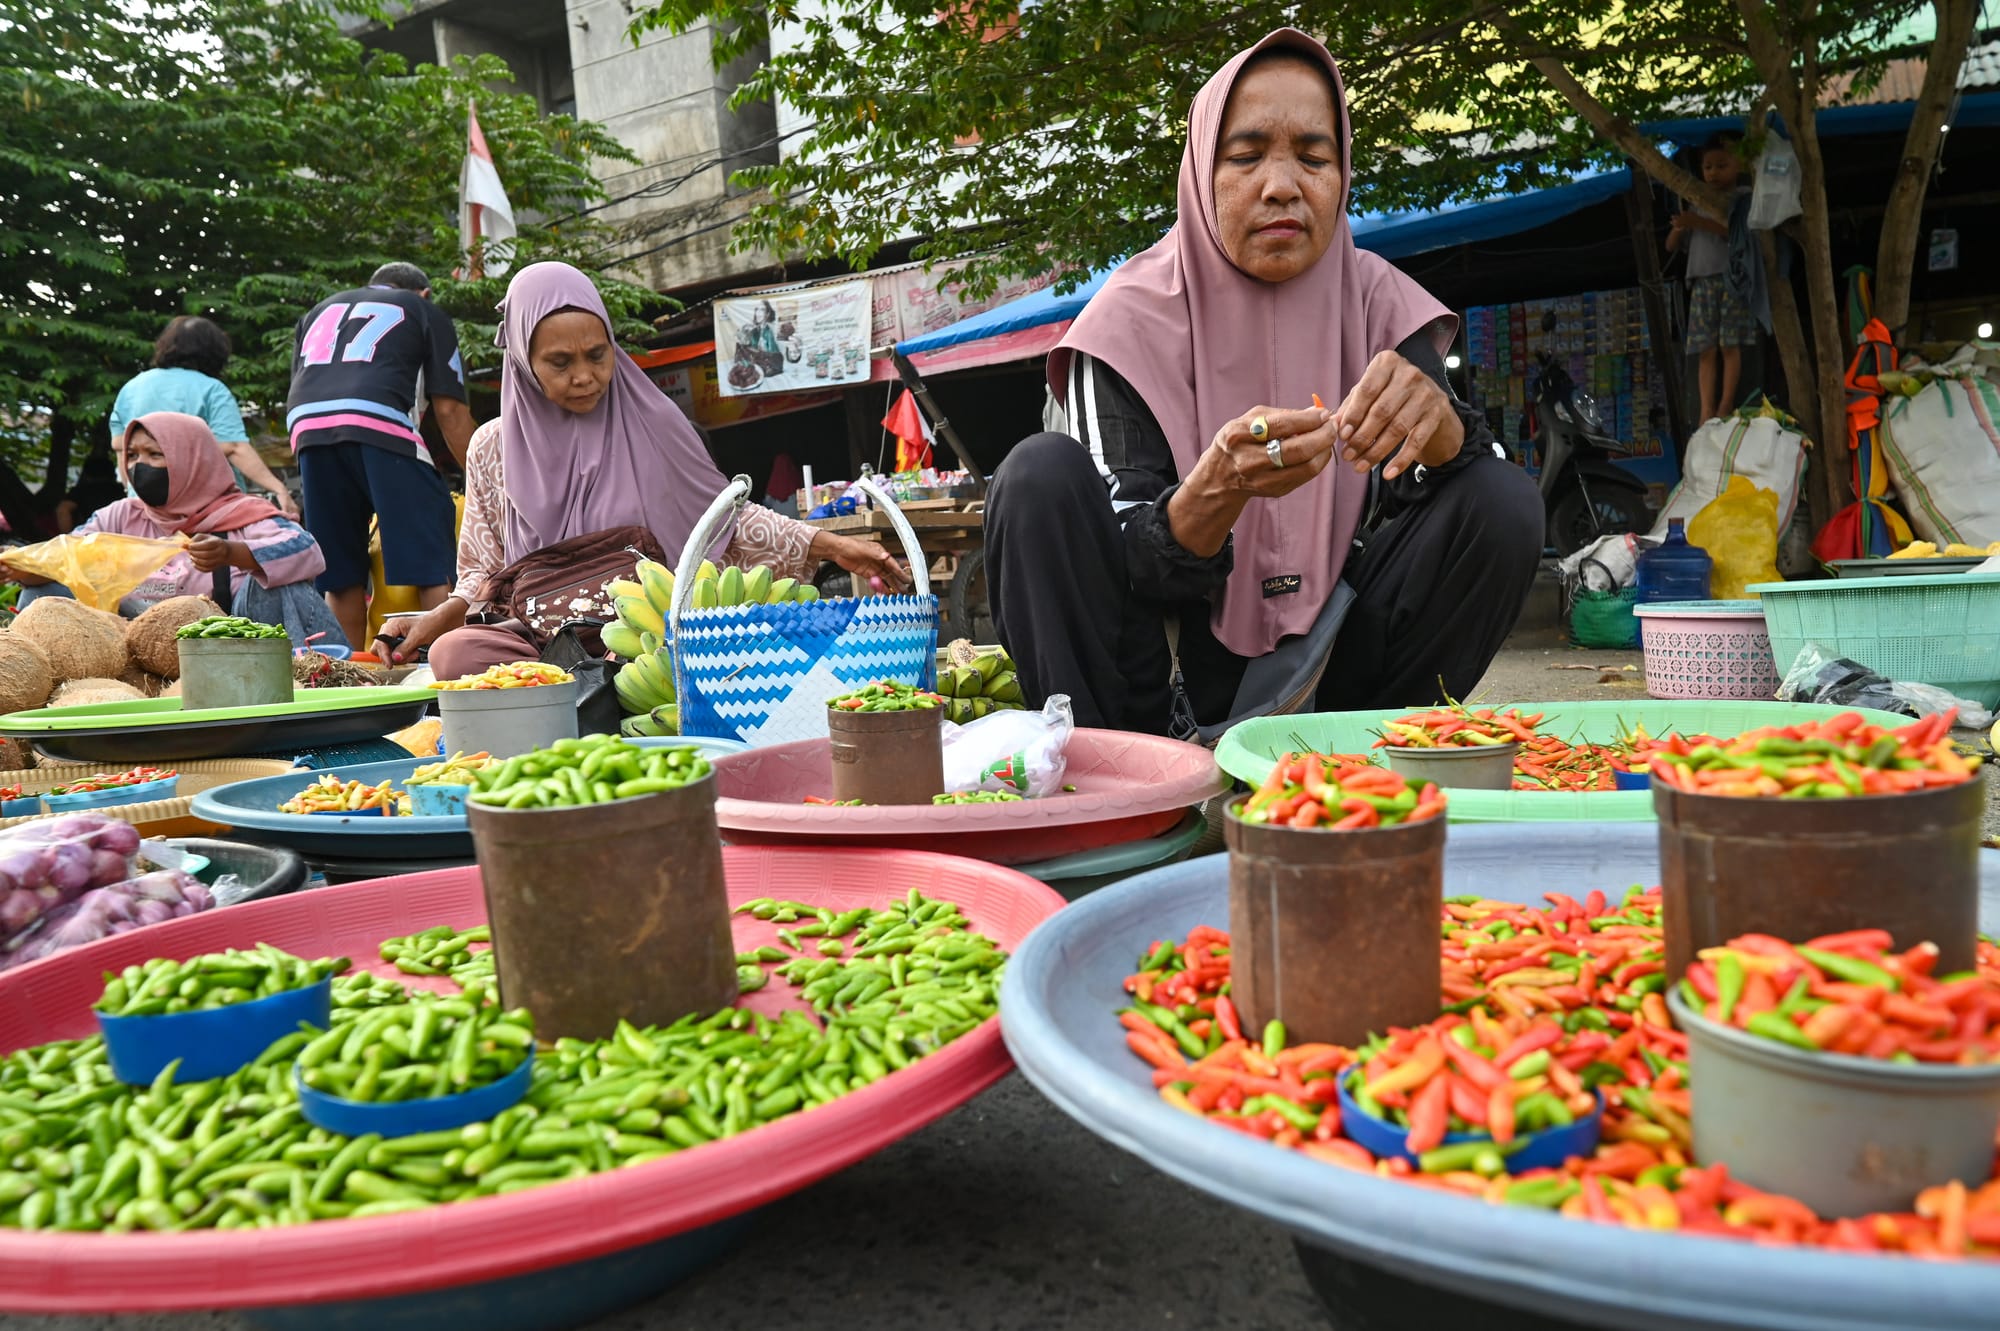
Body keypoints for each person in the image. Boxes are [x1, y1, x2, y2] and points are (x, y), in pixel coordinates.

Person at [984, 29, 1542, 737]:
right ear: (1199, 173)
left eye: (1314, 157)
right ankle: (1106, 787)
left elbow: (1472, 500)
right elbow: (1119, 561)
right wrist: (1216, 491)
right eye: (1246, 156)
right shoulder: (1126, 324)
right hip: (1155, 693)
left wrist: (1444, 434)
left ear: (1342, 177)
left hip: (1337, 674)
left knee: (1501, 500)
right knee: (1037, 475)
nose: (1282, 185)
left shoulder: (1380, 306)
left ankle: (1371, 749)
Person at [376, 262, 907, 676]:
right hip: (545, 636)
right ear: (522, 360)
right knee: (457, 654)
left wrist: (829, 544)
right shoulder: (491, 447)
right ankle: (584, 683)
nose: (584, 376)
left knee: (741, 640)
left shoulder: (655, 421)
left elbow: (720, 521)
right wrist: (436, 620)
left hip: (661, 632)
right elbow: (481, 572)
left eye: (597, 355)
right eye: (560, 363)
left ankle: (599, 686)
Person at [3, 413, 342, 642]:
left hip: (226, 649)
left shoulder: (242, 514)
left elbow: (305, 549)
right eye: (133, 456)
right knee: (42, 595)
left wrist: (231, 554)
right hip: (134, 647)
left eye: (155, 455)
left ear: (192, 459)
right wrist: (19, 567)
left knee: (277, 586)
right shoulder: (120, 516)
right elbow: (67, 557)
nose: (140, 466)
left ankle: (302, 689)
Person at [286, 262, 477, 650]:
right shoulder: (424, 310)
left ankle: (347, 674)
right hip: (378, 421)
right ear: (423, 292)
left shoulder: (318, 312)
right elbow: (450, 412)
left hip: (307, 430)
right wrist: (487, 481)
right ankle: (446, 666)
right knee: (431, 563)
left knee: (340, 576)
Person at [108, 316, 300, 516]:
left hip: (145, 508)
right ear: (214, 352)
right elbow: (234, 447)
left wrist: (132, 493)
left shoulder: (132, 387)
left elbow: (120, 446)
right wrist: (278, 489)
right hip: (206, 512)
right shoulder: (212, 389)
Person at [1668, 137, 1755, 423]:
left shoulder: (1743, 196)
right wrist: (1682, 225)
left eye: (1721, 166)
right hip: (1701, 281)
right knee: (1705, 349)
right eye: (1708, 167)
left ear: (1738, 165)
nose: (1714, 173)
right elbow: (1671, 246)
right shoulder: (1698, 201)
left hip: (1733, 279)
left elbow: (1735, 233)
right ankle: (1706, 411)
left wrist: (1697, 222)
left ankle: (1725, 405)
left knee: (1730, 345)